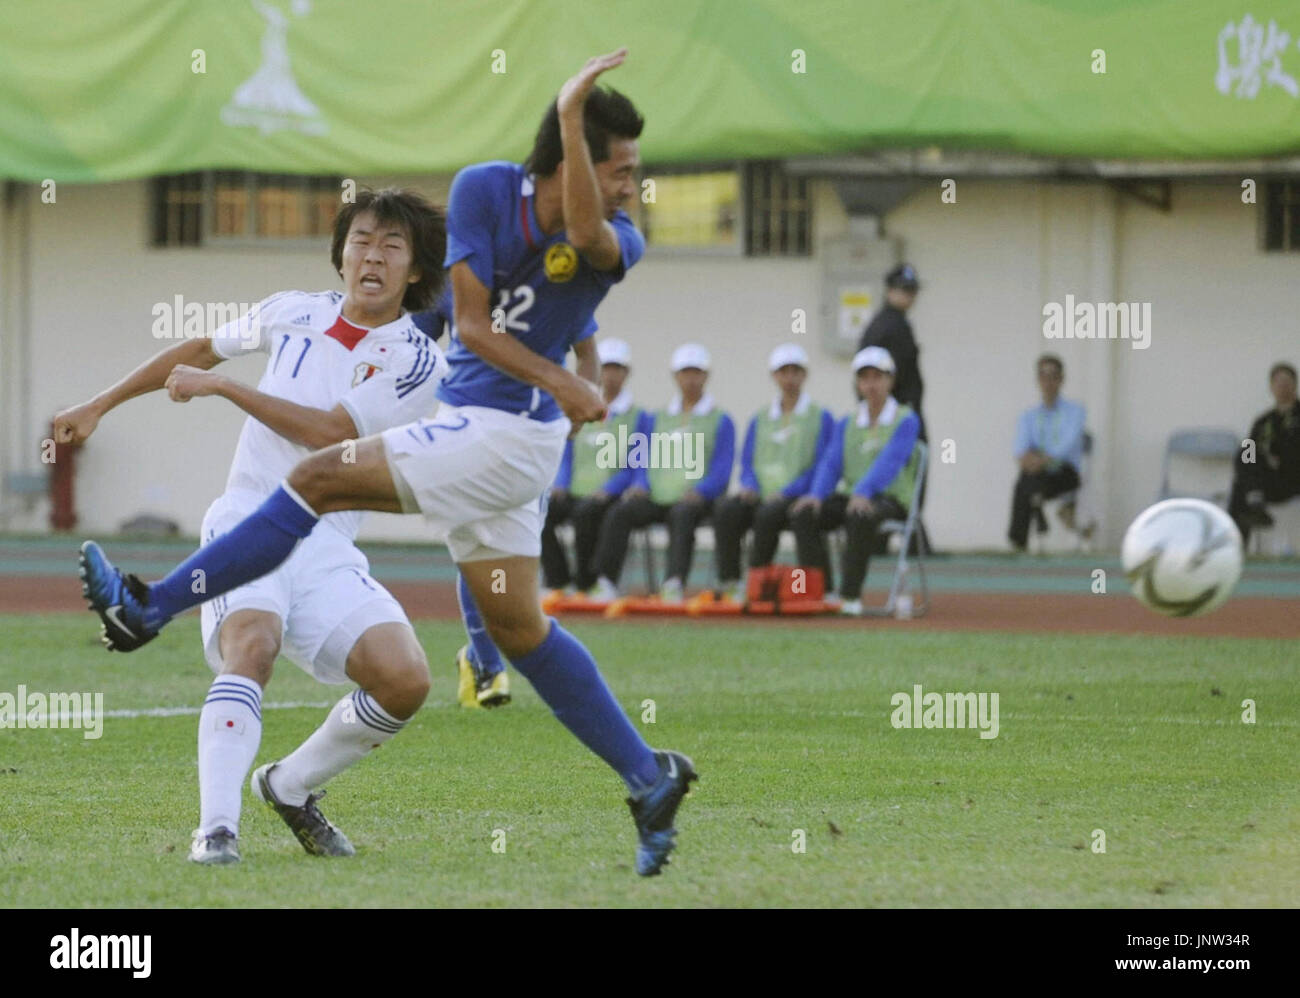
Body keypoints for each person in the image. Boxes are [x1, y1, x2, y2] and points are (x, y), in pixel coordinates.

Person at [78, 48, 697, 877]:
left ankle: (150, 607)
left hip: (503, 436)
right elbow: (475, 327)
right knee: (523, 630)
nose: (633, 187)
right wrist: (568, 379)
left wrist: (575, 113)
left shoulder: (618, 235)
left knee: (316, 477)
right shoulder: (483, 189)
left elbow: (582, 246)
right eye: (622, 170)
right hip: (499, 437)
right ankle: (646, 776)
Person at [60, 188, 448, 864]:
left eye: (392, 246)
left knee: (405, 679)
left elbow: (330, 433)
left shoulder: (416, 359)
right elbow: (203, 348)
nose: (372, 256)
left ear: (416, 270)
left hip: (327, 541)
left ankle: (291, 787)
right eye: (361, 239)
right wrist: (100, 404)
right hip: (247, 518)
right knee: (253, 646)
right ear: (340, 253)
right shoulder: (292, 310)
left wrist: (228, 389)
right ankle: (216, 830)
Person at [588, 343, 736, 602]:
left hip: (695, 501)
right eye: (685, 373)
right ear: (675, 376)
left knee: (682, 514)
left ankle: (673, 583)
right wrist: (640, 484)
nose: (690, 379)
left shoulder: (720, 419)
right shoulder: (656, 418)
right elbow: (640, 458)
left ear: (706, 376)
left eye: (696, 372)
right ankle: (606, 581)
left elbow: (722, 471)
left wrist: (701, 491)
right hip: (656, 497)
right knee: (620, 511)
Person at [790, 346, 921, 616]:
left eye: (878, 377)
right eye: (865, 378)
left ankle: (850, 596)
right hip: (852, 495)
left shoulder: (906, 419)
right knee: (805, 513)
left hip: (891, 499)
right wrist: (816, 494)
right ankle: (820, 591)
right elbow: (831, 463)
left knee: (860, 515)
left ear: (891, 380)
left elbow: (891, 461)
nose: (871, 384)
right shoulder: (847, 422)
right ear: (858, 384)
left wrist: (864, 490)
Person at [711, 343, 833, 603]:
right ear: (774, 376)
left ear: (804, 375)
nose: (789, 378)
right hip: (761, 495)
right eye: (783, 371)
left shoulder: (820, 417)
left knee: (768, 515)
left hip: (795, 496)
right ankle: (731, 581)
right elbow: (748, 461)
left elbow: (823, 464)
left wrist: (787, 492)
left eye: (795, 371)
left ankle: (756, 581)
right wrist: (749, 486)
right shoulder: (761, 418)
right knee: (726, 510)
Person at [543, 337, 648, 596]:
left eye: (617, 368)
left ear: (627, 373)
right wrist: (561, 484)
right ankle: (559, 581)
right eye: (607, 367)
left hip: (610, 496)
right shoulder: (580, 407)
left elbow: (636, 463)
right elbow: (567, 453)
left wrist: (609, 489)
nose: (611, 375)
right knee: (541, 510)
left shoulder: (638, 416)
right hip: (576, 491)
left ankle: (588, 582)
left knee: (586, 512)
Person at [1007, 354, 1086, 552]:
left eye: (1053, 376)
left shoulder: (1075, 411)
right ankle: (1037, 522)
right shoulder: (1029, 416)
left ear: (1061, 379)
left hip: (1065, 474)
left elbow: (1067, 445)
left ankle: (1020, 540)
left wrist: (1041, 459)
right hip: (1037, 475)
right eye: (1043, 376)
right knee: (1028, 480)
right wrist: (1031, 461)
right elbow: (1019, 448)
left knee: (1026, 482)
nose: (1048, 381)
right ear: (1038, 380)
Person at [1229, 361, 1300, 544]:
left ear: (1295, 385)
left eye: (1287, 382)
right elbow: (1250, 453)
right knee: (1246, 450)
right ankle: (1237, 549)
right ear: (1271, 387)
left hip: (1294, 477)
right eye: (1278, 382)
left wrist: (1278, 457)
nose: (1282, 386)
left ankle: (1254, 501)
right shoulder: (1263, 421)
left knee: (1243, 487)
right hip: (1267, 481)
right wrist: (1265, 458)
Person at [857, 263, 924, 440]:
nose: (910, 296)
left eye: (912, 290)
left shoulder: (896, 322)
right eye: (904, 290)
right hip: (892, 418)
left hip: (898, 414)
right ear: (889, 291)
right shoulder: (890, 326)